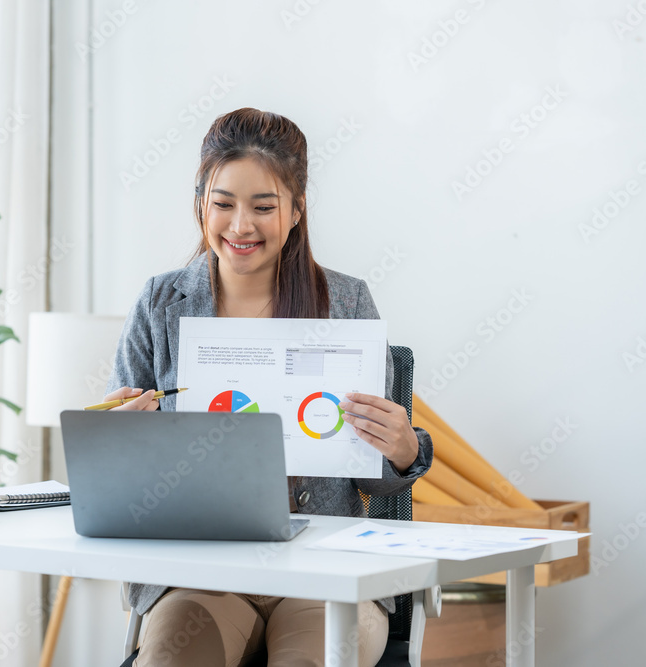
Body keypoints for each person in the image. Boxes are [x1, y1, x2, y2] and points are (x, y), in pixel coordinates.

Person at [104, 107, 433, 667]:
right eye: (224, 204)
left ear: (297, 210)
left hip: (324, 571)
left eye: (263, 206)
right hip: (200, 571)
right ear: (201, 205)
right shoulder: (159, 304)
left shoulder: (347, 303)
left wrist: (404, 453)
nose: (240, 226)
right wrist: (120, 437)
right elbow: (121, 481)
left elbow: (375, 482)